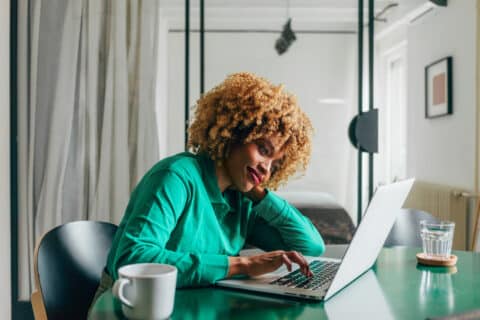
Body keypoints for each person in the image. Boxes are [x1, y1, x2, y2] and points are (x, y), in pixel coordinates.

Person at [90, 72, 325, 309]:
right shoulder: (176, 176)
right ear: (236, 132)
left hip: (191, 308)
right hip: (130, 308)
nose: (266, 168)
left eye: (275, 165)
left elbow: (310, 248)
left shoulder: (241, 200)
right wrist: (240, 265)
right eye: (263, 150)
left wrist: (259, 194)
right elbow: (133, 260)